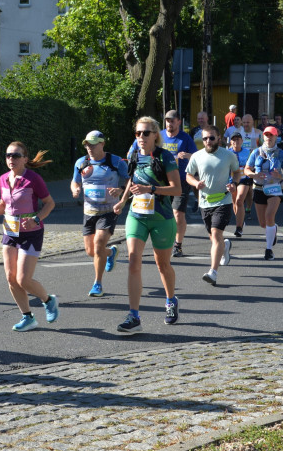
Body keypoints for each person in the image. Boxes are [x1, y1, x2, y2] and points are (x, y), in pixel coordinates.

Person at [0, 142, 58, 331]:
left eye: (15, 155)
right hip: (10, 232)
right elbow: (3, 204)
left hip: (31, 233)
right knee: (11, 278)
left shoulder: (34, 179)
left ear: (25, 159)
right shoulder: (3, 178)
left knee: (23, 279)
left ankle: (48, 300)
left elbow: (49, 203)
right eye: (8, 155)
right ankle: (27, 317)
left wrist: (37, 219)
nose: (11, 159)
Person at [114, 117, 182, 331]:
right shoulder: (133, 155)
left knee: (163, 265)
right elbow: (132, 180)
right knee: (134, 262)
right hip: (137, 216)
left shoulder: (165, 156)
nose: (141, 137)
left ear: (155, 135)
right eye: (137, 133)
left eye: (145, 133)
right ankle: (134, 317)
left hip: (161, 218)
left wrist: (151, 190)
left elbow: (177, 190)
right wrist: (123, 200)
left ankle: (171, 300)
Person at [70, 130, 129, 297]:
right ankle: (111, 252)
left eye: (93, 144)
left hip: (109, 211)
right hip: (89, 212)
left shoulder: (116, 162)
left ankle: (98, 283)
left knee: (98, 245)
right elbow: (74, 181)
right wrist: (75, 189)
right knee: (91, 251)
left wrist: (121, 190)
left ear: (102, 144)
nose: (89, 147)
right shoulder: (81, 162)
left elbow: (129, 180)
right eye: (87, 144)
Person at [185, 124, 240, 285]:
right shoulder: (196, 156)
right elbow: (188, 175)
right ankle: (225, 246)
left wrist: (234, 184)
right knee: (214, 237)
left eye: (211, 138)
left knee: (216, 235)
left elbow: (237, 172)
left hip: (223, 200)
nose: (207, 141)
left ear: (219, 139)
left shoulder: (228, 155)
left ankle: (213, 272)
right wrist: (195, 183)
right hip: (205, 202)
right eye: (204, 138)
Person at [244, 126, 283, 261]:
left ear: (276, 137)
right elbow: (247, 169)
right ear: (263, 137)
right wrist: (253, 174)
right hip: (258, 188)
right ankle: (273, 228)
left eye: (272, 135)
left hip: (275, 188)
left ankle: (269, 249)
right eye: (267, 135)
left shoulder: (281, 153)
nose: (269, 138)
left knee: (270, 215)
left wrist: (280, 175)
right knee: (263, 224)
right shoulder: (256, 152)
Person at [160, 110, 197, 257]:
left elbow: (196, 156)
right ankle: (164, 241)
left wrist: (187, 155)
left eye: (172, 120)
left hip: (180, 180)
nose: (169, 123)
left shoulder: (185, 138)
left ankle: (178, 245)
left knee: (178, 214)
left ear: (179, 122)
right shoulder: (160, 136)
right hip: (162, 180)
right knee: (162, 213)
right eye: (167, 120)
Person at [228, 131, 253, 237]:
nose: (236, 141)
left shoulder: (247, 152)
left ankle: (239, 228)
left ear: (242, 141)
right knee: (234, 203)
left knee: (239, 201)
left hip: (244, 179)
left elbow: (252, 165)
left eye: (238, 139)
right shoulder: (227, 153)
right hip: (231, 180)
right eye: (234, 139)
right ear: (230, 142)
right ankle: (240, 220)